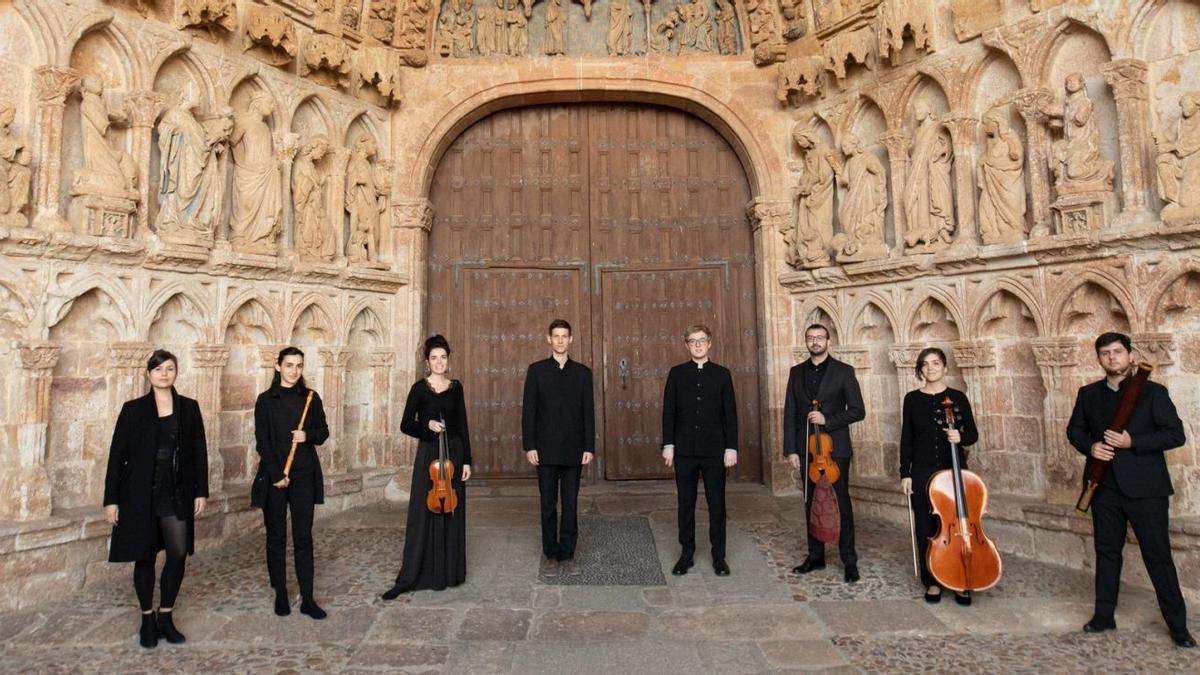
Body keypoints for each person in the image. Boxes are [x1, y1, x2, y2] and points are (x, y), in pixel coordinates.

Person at [1067, 332, 1194, 648]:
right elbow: (1075, 431)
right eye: (1105, 353)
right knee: (1107, 553)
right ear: (1098, 359)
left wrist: (1132, 442)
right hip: (1104, 487)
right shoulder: (1088, 394)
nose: (1112, 358)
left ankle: (1178, 626)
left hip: (1146, 489)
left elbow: (1175, 435)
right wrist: (1092, 446)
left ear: (1130, 355)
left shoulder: (1153, 393)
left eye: (1117, 352)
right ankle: (1103, 616)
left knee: (1158, 556)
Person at [103, 349, 208, 648]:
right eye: (158, 369)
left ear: (177, 373)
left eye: (170, 368)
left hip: (175, 492)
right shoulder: (133, 409)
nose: (164, 373)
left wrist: (201, 490)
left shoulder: (189, 408)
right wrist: (111, 500)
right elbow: (116, 457)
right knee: (145, 556)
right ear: (149, 374)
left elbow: (199, 452)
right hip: (139, 495)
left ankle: (166, 615)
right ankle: (147, 618)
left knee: (177, 554)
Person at [382, 335, 473, 598]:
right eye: (434, 358)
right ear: (427, 361)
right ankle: (420, 571)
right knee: (426, 511)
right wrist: (427, 426)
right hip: (430, 455)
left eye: (443, 357)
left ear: (448, 359)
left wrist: (467, 460)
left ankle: (450, 571)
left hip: (453, 455)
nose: (439, 362)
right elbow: (405, 424)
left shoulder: (456, 387)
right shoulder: (419, 389)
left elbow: (463, 425)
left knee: (452, 511)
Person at [251, 346, 330, 620]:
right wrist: (276, 475)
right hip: (275, 477)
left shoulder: (310, 398)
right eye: (289, 365)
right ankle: (281, 593)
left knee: (303, 537)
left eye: (298, 365)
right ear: (278, 367)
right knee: (276, 538)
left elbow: (323, 432)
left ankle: (307, 598)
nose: (294, 371)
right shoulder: (265, 400)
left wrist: (306, 435)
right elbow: (263, 442)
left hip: (304, 475)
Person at [784, 323, 866, 582]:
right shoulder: (796, 372)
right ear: (806, 342)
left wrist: (826, 419)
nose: (815, 341)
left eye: (819, 337)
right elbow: (790, 414)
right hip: (806, 448)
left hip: (835, 450)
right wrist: (791, 450)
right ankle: (815, 556)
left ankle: (849, 560)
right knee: (811, 503)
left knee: (840, 503)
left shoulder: (844, 372)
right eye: (810, 338)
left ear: (828, 341)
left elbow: (857, 410)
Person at [900, 347, 978, 605]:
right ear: (920, 370)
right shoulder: (912, 399)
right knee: (926, 526)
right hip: (922, 470)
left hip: (953, 469)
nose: (931, 368)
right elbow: (907, 438)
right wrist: (905, 473)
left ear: (945, 368)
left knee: (958, 526)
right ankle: (932, 581)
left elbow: (973, 434)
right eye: (925, 364)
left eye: (936, 363)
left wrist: (960, 437)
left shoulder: (957, 397)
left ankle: (960, 579)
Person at [662, 324, 738, 576]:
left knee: (717, 505)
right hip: (683, 451)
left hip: (715, 452)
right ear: (686, 345)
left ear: (710, 343)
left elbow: (730, 415)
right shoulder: (676, 374)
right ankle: (686, 555)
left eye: (702, 340)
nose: (697, 345)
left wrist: (731, 448)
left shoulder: (722, 374)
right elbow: (669, 412)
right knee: (686, 504)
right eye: (692, 341)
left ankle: (719, 557)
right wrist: (668, 445)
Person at [522, 318, 595, 577]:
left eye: (565, 336)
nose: (561, 340)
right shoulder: (537, 370)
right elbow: (529, 411)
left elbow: (588, 412)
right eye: (556, 336)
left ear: (571, 339)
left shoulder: (583, 373)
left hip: (574, 449)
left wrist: (589, 446)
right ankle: (550, 554)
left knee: (571, 503)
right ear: (548, 339)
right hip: (545, 450)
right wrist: (530, 445)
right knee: (548, 504)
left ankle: (568, 554)